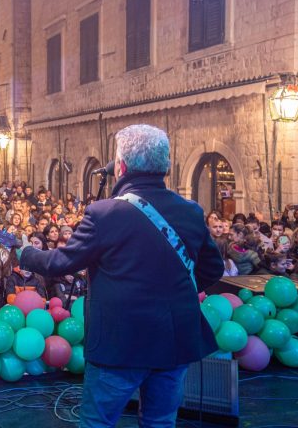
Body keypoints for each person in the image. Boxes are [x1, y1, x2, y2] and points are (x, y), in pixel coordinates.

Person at [18, 124, 224, 428]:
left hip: (121, 342)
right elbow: (212, 269)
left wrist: (25, 253)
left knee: (98, 422)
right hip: (175, 339)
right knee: (160, 421)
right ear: (166, 166)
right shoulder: (190, 211)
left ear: (121, 166)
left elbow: (61, 262)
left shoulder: (105, 214)